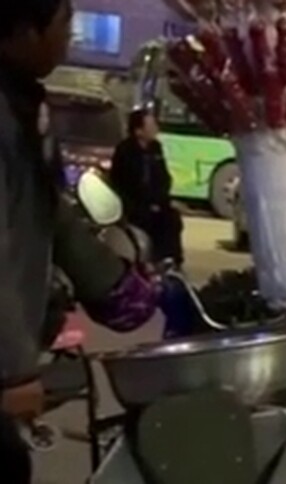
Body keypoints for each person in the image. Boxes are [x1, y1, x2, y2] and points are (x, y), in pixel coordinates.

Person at [0, 2, 158, 481]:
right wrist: (13, 369)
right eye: (63, 24)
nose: (68, 38)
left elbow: (53, 213)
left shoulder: (22, 103)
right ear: (24, 32)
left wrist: (112, 283)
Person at [110, 109, 184, 268]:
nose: (156, 129)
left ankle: (169, 261)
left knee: (171, 219)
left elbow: (163, 178)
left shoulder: (156, 148)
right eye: (151, 126)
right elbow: (120, 183)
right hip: (134, 204)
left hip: (156, 202)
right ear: (138, 131)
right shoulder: (125, 151)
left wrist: (160, 200)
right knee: (144, 220)